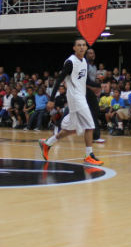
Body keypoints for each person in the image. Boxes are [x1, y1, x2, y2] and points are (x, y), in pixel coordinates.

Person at [38, 38, 104, 166]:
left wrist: (98, 84)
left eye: (83, 45)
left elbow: (84, 81)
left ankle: (47, 143)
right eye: (78, 45)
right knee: (89, 125)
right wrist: (51, 100)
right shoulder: (70, 62)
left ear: (86, 48)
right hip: (75, 98)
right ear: (74, 48)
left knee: (70, 129)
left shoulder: (84, 61)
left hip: (80, 96)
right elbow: (58, 80)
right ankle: (88, 155)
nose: (81, 47)